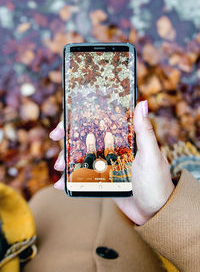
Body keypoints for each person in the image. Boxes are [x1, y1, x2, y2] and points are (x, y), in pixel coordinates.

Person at [23, 100, 200, 272]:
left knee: (60, 189)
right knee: (185, 179)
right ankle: (110, 155)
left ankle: (93, 154)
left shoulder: (45, 201)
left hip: (53, 231)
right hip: (149, 247)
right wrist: (165, 210)